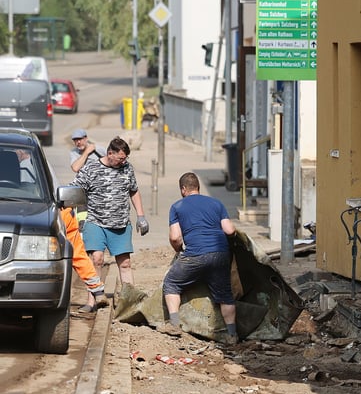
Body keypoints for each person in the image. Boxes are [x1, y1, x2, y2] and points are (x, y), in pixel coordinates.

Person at [159, 171, 238, 343]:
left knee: (171, 283)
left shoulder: (177, 206)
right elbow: (230, 230)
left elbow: (175, 237)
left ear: (183, 189)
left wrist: (178, 249)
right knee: (225, 294)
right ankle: (232, 334)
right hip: (220, 254)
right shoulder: (216, 203)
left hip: (195, 255)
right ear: (198, 188)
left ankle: (174, 325)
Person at [72, 136, 149, 289]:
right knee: (97, 259)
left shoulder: (127, 168)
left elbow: (134, 191)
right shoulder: (91, 169)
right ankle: (93, 299)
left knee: (125, 263)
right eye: (120, 158)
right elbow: (74, 190)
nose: (123, 161)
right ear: (109, 154)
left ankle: (129, 300)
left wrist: (141, 216)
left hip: (121, 224)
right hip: (96, 222)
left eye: (125, 158)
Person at [62, 207, 106, 313]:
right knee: (77, 254)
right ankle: (97, 290)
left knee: (76, 253)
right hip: (56, 212)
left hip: (57, 214)